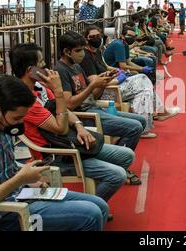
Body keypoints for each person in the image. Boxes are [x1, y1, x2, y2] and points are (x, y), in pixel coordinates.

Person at [0, 76, 109, 231]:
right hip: (5, 214)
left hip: (22, 195)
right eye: (17, 118)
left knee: (100, 206)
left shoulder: (2, 126)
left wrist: (28, 180)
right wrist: (19, 179)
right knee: (91, 214)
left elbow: (8, 172)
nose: (20, 124)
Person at [10, 42, 137, 202]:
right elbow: (61, 128)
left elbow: (65, 110)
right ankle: (92, 206)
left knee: (127, 156)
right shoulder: (26, 101)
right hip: (57, 155)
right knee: (117, 175)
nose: (46, 66)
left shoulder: (40, 86)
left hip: (71, 141)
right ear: (31, 70)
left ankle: (94, 202)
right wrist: (58, 91)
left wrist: (79, 126)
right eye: (42, 63)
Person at [55, 31, 146, 157]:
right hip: (85, 116)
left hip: (95, 107)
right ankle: (119, 159)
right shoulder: (60, 70)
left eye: (83, 49)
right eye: (78, 50)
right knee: (135, 128)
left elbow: (94, 95)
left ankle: (118, 155)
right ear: (66, 52)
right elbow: (69, 104)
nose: (82, 53)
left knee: (141, 121)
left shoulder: (76, 67)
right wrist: (92, 85)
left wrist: (102, 83)